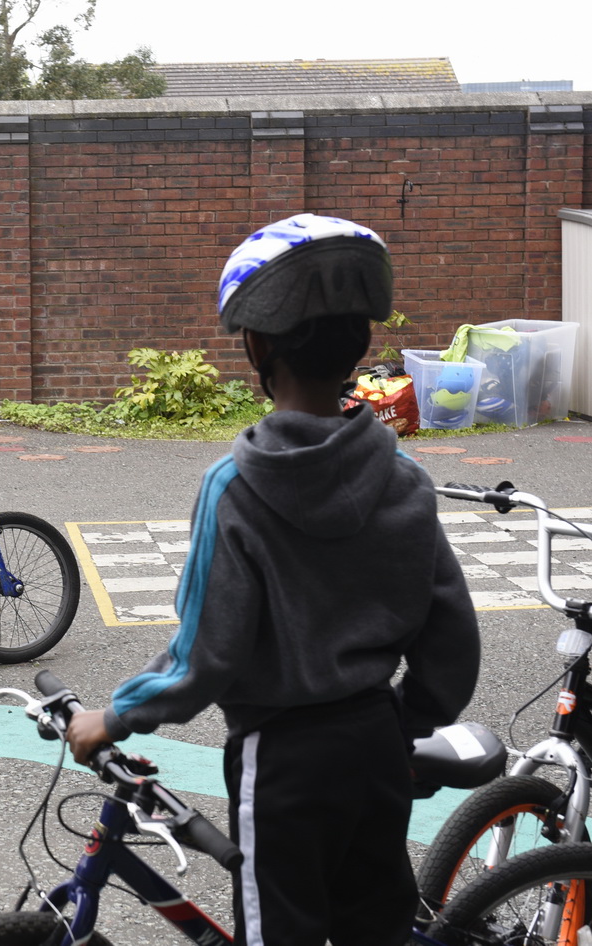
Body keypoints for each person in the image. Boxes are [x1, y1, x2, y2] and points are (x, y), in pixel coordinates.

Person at [65, 214, 480, 946]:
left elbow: (204, 656)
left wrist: (115, 715)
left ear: (255, 345)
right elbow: (450, 636)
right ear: (359, 342)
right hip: (377, 744)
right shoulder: (403, 477)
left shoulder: (234, 487)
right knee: (375, 927)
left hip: (281, 756)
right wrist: (400, 724)